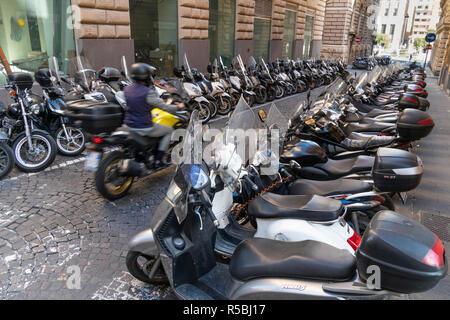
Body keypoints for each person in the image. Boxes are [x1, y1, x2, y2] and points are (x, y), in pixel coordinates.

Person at [123, 63, 185, 168]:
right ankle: (158, 159)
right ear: (146, 77)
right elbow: (165, 108)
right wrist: (179, 107)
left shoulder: (127, 89)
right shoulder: (147, 92)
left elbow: (138, 103)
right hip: (143, 126)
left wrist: (156, 102)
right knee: (168, 130)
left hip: (128, 124)